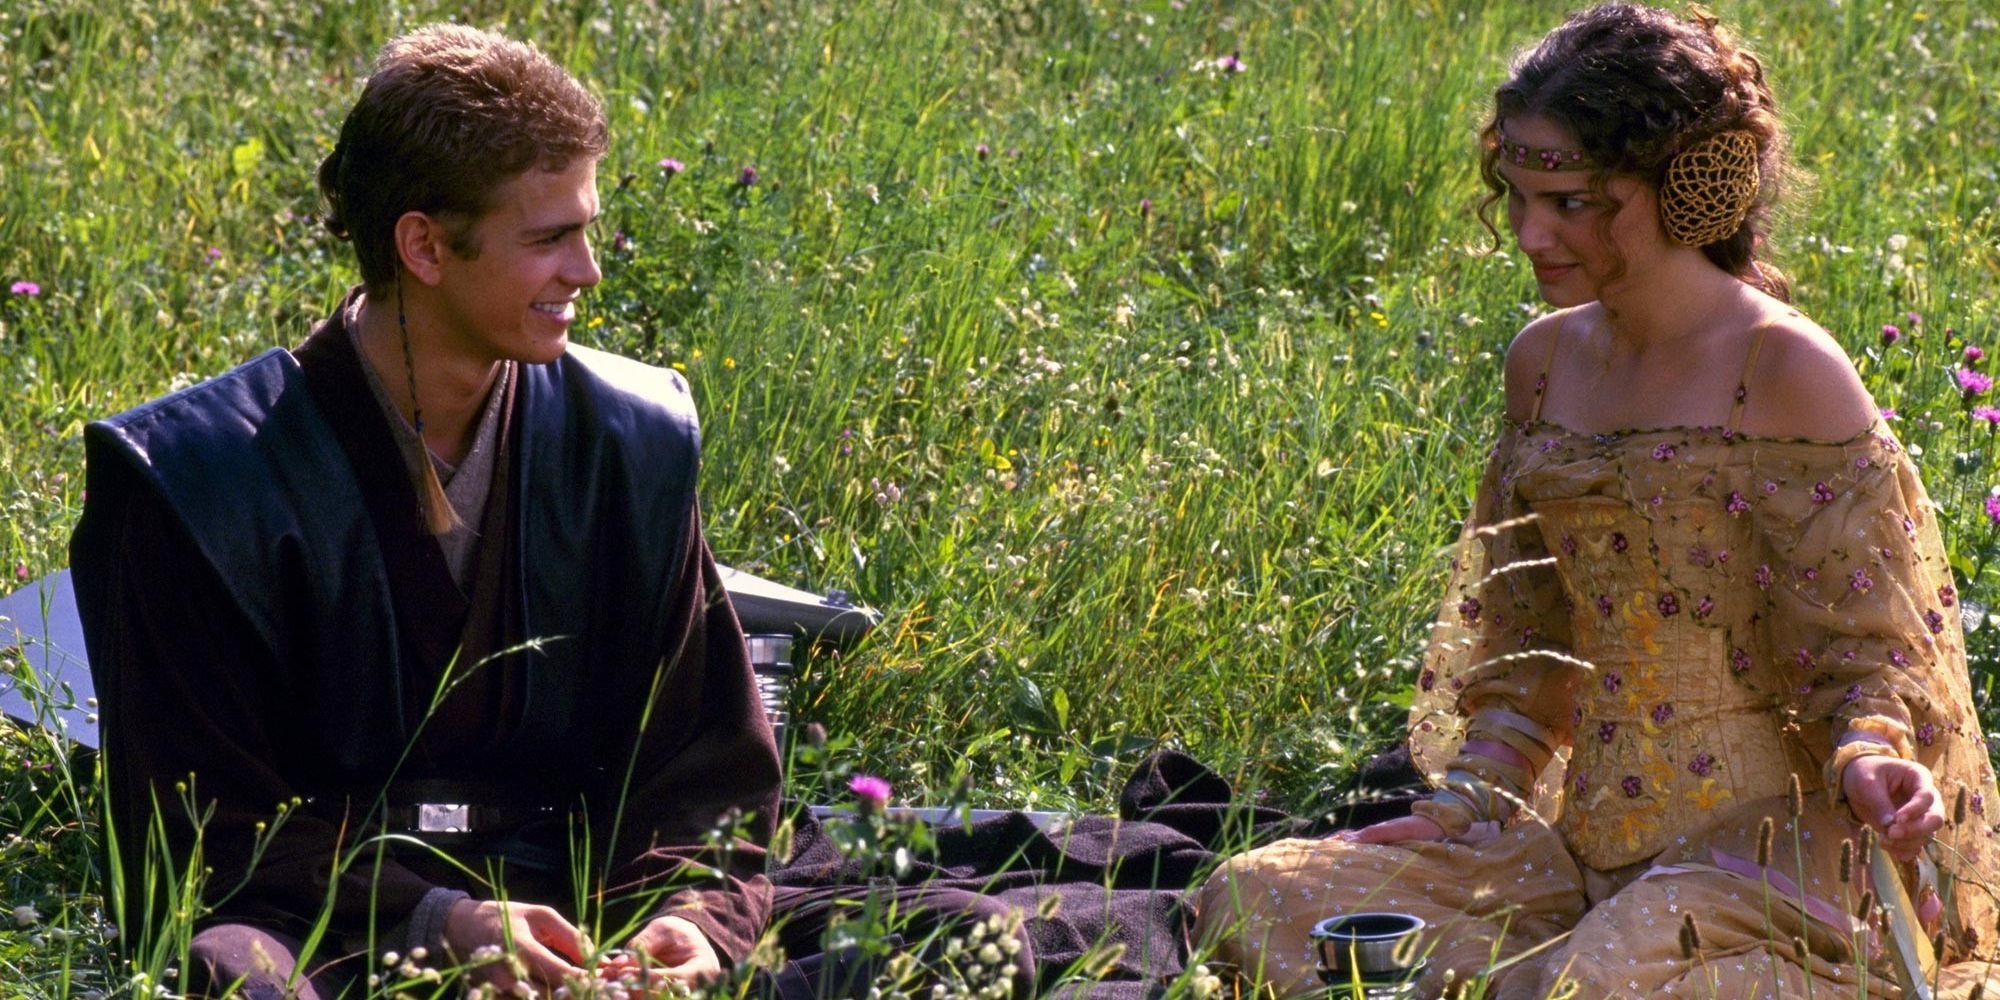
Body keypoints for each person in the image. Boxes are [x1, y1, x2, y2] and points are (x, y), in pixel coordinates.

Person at [1192, 4, 2000, 997]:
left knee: (1588, 980)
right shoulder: (1540, 363)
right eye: (1518, 196)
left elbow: (1869, 652)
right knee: (1250, 893)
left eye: (1569, 201)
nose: (1531, 233)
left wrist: (1869, 757)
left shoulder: (1781, 368)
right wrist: (1471, 800)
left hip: (1766, 860)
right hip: (1581, 852)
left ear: (1685, 186)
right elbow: (1527, 644)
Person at [71, 24, 782, 996]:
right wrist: (437, 918)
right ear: (424, 245)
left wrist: (687, 921)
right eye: (547, 238)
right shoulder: (197, 486)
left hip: (584, 914)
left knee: (927, 938)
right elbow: (199, 825)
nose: (588, 271)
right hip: (331, 918)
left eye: (585, 228)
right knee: (236, 976)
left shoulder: (625, 443)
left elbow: (706, 763)